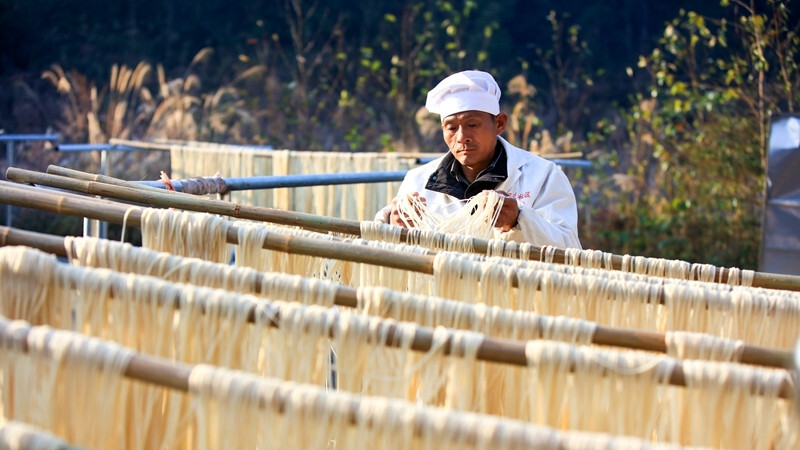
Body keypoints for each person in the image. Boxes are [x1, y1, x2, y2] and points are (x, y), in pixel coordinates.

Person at [375, 70, 581, 248]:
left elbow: (569, 248)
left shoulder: (543, 176)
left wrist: (518, 220)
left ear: (499, 123)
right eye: (452, 128)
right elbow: (392, 255)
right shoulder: (418, 182)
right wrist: (394, 227)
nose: (462, 137)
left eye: (472, 124)